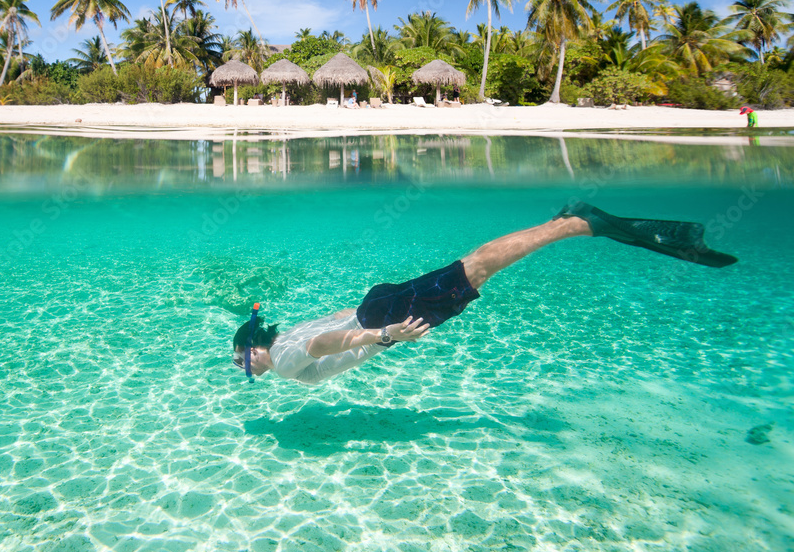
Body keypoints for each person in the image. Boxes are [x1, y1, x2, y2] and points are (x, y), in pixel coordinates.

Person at [231, 201, 738, 385]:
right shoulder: (284, 336)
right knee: (470, 268)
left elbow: (325, 344)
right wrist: (376, 317)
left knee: (473, 269)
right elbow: (330, 323)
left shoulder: (288, 357)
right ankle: (566, 220)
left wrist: (385, 334)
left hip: (381, 318)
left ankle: (580, 223)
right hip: (373, 305)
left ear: (254, 348)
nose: (246, 369)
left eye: (241, 362)